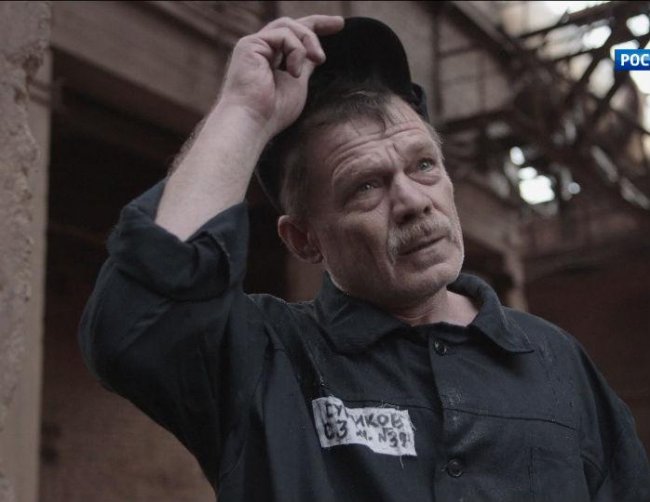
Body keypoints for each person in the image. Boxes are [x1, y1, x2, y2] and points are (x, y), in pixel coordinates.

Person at [79, 14, 650, 502]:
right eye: (366, 187)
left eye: (423, 166)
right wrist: (244, 112)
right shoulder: (268, 360)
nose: (413, 201)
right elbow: (139, 322)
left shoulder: (553, 360)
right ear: (304, 240)